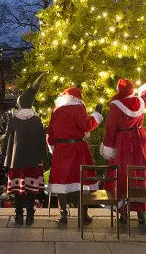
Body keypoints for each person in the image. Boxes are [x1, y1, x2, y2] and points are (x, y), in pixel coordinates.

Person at [101, 79, 146, 226]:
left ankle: (123, 214)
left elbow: (111, 127)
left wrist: (108, 146)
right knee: (141, 173)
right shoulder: (140, 101)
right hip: (140, 140)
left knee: (123, 175)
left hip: (123, 142)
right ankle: (142, 213)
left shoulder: (116, 105)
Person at [46, 86, 103, 225]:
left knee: (61, 184)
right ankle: (83, 215)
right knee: (81, 182)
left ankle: (63, 215)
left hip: (61, 150)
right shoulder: (78, 108)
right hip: (78, 149)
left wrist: (53, 147)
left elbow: (50, 134)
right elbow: (87, 125)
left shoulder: (56, 110)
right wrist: (96, 114)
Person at [4, 73, 48, 226]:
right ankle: (30, 215)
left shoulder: (14, 120)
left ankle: (18, 215)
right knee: (30, 190)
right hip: (33, 162)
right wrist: (42, 157)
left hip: (16, 162)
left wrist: (5, 159)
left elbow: (7, 142)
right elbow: (42, 141)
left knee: (18, 190)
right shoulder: (37, 121)